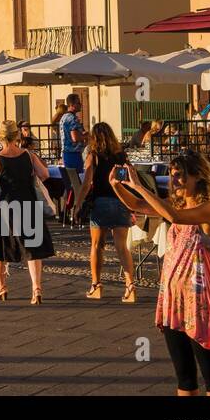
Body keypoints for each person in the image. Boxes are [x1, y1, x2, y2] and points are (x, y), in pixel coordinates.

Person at [111, 150, 210, 396]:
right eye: (172, 176)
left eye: (179, 176)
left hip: (199, 304)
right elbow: (136, 205)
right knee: (184, 377)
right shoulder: (176, 205)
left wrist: (138, 185)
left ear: (198, 177)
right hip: (173, 300)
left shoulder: (208, 210)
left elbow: (174, 216)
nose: (173, 181)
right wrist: (117, 186)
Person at [0, 120, 53, 303]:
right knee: (33, 249)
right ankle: (36, 289)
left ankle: (1, 287)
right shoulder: (28, 155)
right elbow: (45, 174)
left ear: (0, 137)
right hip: (29, 203)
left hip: (6, 208)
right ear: (17, 135)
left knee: (1, 249)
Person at [72, 122, 137, 302]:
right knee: (122, 247)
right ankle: (130, 286)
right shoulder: (121, 156)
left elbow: (86, 184)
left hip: (100, 203)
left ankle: (96, 285)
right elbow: (127, 180)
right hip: (120, 201)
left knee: (97, 246)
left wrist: (78, 205)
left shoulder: (94, 156)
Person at [59, 94, 86, 174]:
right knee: (77, 181)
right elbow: (75, 138)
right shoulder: (72, 118)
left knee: (71, 181)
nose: (80, 105)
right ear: (71, 105)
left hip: (66, 154)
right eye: (78, 103)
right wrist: (87, 135)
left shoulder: (64, 117)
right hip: (74, 154)